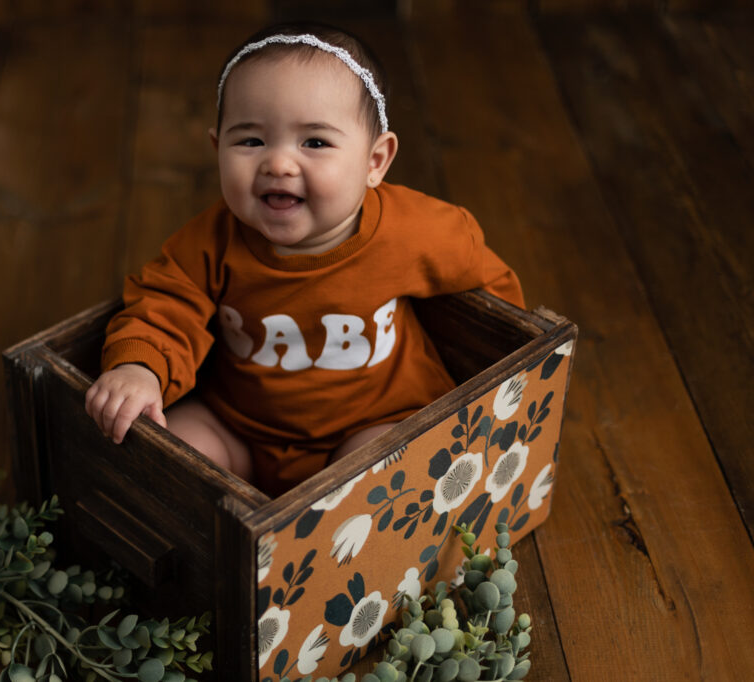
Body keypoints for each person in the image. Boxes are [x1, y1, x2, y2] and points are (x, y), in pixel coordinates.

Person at [84, 23, 524, 496]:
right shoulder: (210, 241)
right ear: (218, 150)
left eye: (314, 142)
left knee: (387, 467)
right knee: (172, 446)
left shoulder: (419, 231)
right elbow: (165, 304)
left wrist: (503, 359)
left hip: (372, 420)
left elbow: (490, 289)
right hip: (239, 426)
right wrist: (140, 368)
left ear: (375, 161)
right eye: (250, 141)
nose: (277, 163)